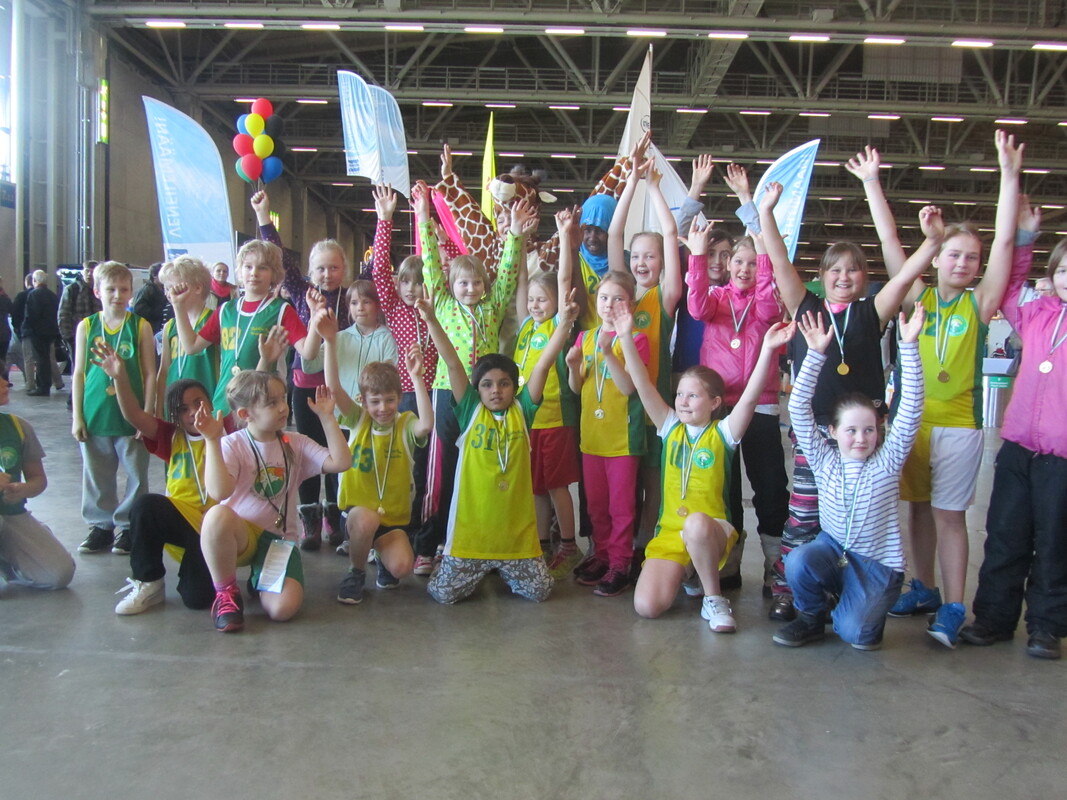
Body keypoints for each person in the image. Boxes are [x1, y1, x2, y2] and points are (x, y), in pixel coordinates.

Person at [762, 179, 944, 622]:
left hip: (864, 437)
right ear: (821, 276)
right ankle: (789, 587)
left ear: (865, 277)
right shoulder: (806, 306)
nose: (844, 277)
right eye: (835, 270)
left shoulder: (872, 311)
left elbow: (905, 277)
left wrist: (933, 242)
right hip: (817, 436)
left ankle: (851, 587)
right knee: (804, 513)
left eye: (854, 270)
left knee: (861, 517)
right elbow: (779, 260)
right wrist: (765, 213)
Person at [872, 132, 1022, 648]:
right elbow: (891, 244)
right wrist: (872, 183)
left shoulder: (978, 305)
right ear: (936, 258)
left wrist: (1008, 173)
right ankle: (925, 588)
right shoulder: (918, 298)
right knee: (915, 509)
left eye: (971, 258)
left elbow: (1005, 244)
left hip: (959, 427)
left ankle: (955, 605)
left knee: (949, 516)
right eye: (953, 254)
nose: (962, 263)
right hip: (911, 424)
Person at [619, 306, 794, 633]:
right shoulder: (670, 427)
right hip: (671, 533)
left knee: (697, 524)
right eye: (680, 394)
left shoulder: (724, 433)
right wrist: (625, 335)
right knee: (647, 606)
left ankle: (713, 598)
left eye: (693, 395)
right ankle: (690, 574)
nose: (683, 401)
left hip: (711, 530)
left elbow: (750, 398)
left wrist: (768, 350)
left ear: (714, 403)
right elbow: (642, 384)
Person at [773, 306, 925, 649]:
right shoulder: (823, 459)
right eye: (851, 430)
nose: (860, 438)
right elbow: (798, 409)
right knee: (799, 559)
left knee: (854, 634)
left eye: (869, 429)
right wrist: (815, 354)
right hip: (834, 551)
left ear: (879, 430)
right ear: (833, 431)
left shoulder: (888, 461)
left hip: (876, 564)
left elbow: (911, 409)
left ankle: (863, 607)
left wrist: (909, 347)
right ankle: (811, 618)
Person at [418, 286, 579, 604]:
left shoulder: (523, 410)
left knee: (540, 591)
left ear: (514, 387)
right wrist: (431, 319)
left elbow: (543, 365)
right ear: (477, 389)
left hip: (516, 542)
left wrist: (564, 325)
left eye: (504, 383)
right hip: (471, 539)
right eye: (487, 384)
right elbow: (453, 363)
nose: (496, 391)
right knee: (443, 594)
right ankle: (476, 568)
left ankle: (502, 569)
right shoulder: (470, 410)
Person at [960, 203, 1067, 660]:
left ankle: (1045, 626)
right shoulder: (1036, 312)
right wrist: (1024, 239)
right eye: (1062, 270)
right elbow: (1006, 287)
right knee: (1004, 534)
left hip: (1062, 457)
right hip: (1019, 445)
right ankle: (993, 618)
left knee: (1055, 543)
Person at [413, 180, 534, 579]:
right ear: (450, 286)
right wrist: (423, 215)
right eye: (463, 282)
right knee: (441, 473)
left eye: (477, 282)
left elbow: (508, 273)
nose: (471, 288)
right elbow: (430, 263)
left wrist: (514, 233)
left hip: (483, 399)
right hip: (447, 393)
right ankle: (428, 544)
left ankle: (478, 542)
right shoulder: (443, 303)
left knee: (480, 470)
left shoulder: (492, 307)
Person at [686, 167, 788, 594]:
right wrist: (696, 256)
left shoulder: (767, 302)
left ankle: (774, 565)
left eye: (752, 263)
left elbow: (766, 302)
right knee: (723, 490)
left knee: (769, 486)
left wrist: (751, 207)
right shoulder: (715, 300)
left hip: (760, 404)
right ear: (727, 265)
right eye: (738, 262)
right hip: (720, 407)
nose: (745, 269)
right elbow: (694, 306)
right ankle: (725, 564)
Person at [194, 372, 349, 633]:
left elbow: (341, 462)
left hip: (277, 541)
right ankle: (226, 593)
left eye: (283, 399)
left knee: (282, 609)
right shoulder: (232, 444)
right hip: (242, 536)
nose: (283, 407)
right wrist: (212, 440)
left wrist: (327, 417)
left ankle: (260, 579)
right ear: (245, 414)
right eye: (271, 403)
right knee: (216, 516)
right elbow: (219, 491)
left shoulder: (296, 442)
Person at [94, 336, 220, 614]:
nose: (193, 413)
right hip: (181, 518)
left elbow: (250, 404)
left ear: (210, 402)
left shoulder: (227, 429)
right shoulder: (170, 435)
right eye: (183, 409)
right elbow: (133, 415)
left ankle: (214, 571)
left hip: (216, 526)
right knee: (145, 505)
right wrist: (120, 377)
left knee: (197, 600)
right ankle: (148, 582)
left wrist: (265, 360)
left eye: (198, 402)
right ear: (175, 415)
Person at [253, 190, 350, 550]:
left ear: (343, 269)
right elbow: (279, 255)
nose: (327, 274)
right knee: (308, 451)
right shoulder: (300, 291)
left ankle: (336, 516)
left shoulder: (351, 297)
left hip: (340, 387)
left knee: (337, 447)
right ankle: (309, 516)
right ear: (310, 271)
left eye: (334, 267)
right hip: (304, 385)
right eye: (321, 268)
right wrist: (264, 216)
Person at [316, 312, 432, 603]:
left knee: (402, 567)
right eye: (375, 401)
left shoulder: (405, 423)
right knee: (366, 520)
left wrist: (417, 378)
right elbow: (334, 388)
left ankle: (381, 557)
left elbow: (427, 425)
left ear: (399, 398)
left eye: (390, 400)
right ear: (363, 401)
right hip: (358, 514)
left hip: (391, 518)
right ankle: (355, 571)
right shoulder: (358, 420)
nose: (383, 408)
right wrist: (330, 341)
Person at [566, 271, 649, 597]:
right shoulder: (585, 337)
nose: (610, 304)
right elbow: (577, 388)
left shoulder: (636, 340)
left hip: (622, 442)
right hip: (592, 439)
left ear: (631, 305)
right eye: (604, 297)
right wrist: (573, 366)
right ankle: (601, 556)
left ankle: (620, 564)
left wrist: (610, 352)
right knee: (596, 506)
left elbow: (628, 387)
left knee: (621, 508)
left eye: (618, 299)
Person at [370, 184, 439, 571]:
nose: (413, 289)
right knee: (400, 468)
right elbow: (379, 270)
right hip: (405, 398)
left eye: (420, 281)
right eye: (406, 282)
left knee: (429, 470)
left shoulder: (438, 309)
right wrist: (385, 219)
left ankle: (424, 539)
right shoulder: (395, 308)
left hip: (436, 395)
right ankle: (393, 533)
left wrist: (429, 221)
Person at [169, 236, 318, 416]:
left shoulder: (281, 310)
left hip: (263, 405)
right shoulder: (226, 310)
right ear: (240, 271)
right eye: (248, 266)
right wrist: (178, 307)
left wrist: (315, 317)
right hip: (225, 403)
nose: (254, 273)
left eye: (262, 267)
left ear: (274, 274)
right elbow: (191, 346)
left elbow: (308, 352)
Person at [71, 261, 155, 555]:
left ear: (132, 291)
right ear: (97, 291)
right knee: (96, 474)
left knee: (136, 473)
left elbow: (150, 373)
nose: (118, 295)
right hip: (95, 412)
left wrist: (147, 414)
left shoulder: (140, 326)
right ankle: (101, 526)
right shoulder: (87, 326)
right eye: (111, 289)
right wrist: (77, 416)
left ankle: (129, 526)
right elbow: (78, 373)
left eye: (123, 289)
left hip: (130, 415)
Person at [517, 208, 581, 576]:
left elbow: (564, 278)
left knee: (557, 486)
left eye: (542, 300)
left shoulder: (559, 325)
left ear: (557, 303)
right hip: (529, 421)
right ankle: (541, 546)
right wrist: (520, 240)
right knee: (536, 487)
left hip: (556, 420)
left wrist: (564, 234)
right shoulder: (526, 327)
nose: (535, 305)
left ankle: (568, 545)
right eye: (532, 301)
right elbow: (521, 285)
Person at [0, 375, 75, 594]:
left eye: (4, 378)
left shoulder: (18, 427)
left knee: (59, 574)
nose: (6, 384)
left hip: (11, 514)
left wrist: (23, 489)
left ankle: (11, 558)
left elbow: (38, 480)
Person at [157, 256, 218, 412]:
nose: (169, 293)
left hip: (206, 399)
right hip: (175, 402)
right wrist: (159, 407)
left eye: (174, 287)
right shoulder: (170, 327)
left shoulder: (213, 320)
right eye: (166, 288)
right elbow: (164, 370)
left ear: (197, 288)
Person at [22, 270, 62, 397]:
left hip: (37, 332)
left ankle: (43, 386)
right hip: (50, 332)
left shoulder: (34, 294)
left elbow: (31, 315)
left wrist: (26, 329)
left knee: (40, 359)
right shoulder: (52, 295)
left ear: (34, 281)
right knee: (46, 358)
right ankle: (46, 385)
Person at [133, 262, 170, 334]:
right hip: (150, 328)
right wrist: (158, 312)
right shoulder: (146, 290)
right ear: (154, 275)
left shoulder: (163, 289)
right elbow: (138, 310)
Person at [0, 277, 13, 380]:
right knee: (3, 357)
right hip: (4, 333)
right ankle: (4, 379)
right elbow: (12, 311)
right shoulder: (5, 298)